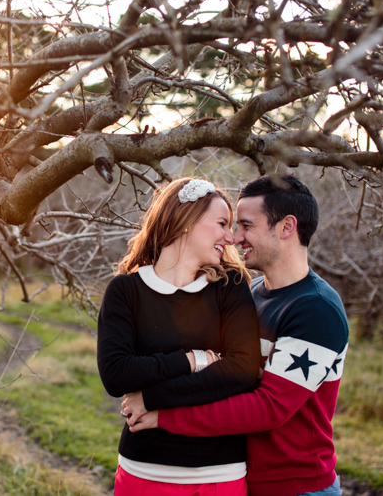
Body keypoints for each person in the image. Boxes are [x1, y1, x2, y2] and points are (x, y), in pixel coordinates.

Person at [124, 174, 350, 496]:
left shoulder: (316, 310)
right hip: (240, 478)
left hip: (296, 486)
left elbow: (268, 407)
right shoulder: (251, 293)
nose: (234, 237)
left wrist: (163, 416)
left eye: (246, 226)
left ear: (286, 227)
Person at [97, 177, 261, 495]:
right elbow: (117, 376)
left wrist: (151, 398)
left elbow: (243, 372)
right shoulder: (126, 290)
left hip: (219, 474)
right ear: (185, 221)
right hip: (143, 470)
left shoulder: (231, 286)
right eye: (222, 223)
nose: (231, 237)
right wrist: (193, 360)